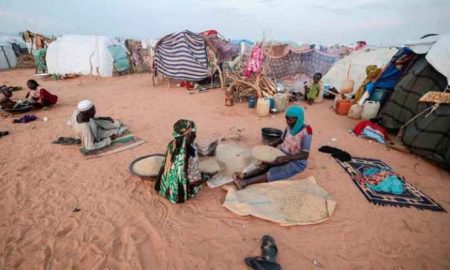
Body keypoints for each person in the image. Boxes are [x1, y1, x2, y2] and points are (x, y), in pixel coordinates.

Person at [233, 105, 312, 189]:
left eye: (290, 120)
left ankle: (245, 182)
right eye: (286, 119)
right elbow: (281, 139)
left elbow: (305, 155)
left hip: (296, 162)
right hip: (282, 154)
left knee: (274, 172)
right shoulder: (289, 126)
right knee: (265, 165)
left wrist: (286, 158)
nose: (287, 122)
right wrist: (272, 144)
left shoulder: (307, 131)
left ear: (298, 119)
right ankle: (244, 176)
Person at [155, 119, 208, 204]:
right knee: (186, 175)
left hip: (171, 174)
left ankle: (168, 188)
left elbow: (193, 129)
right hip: (184, 175)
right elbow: (188, 170)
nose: (192, 131)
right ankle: (186, 190)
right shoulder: (186, 149)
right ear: (185, 133)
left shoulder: (173, 143)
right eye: (189, 131)